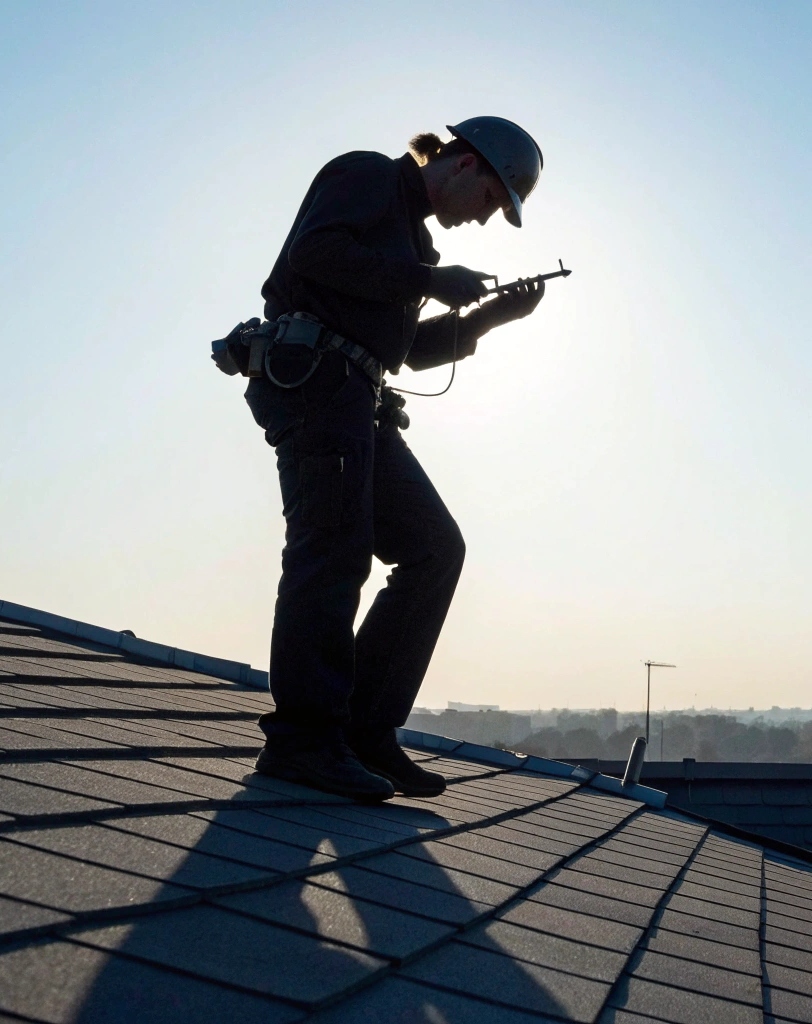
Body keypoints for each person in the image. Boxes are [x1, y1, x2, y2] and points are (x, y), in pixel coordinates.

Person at [243, 116, 547, 800]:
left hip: (359, 399)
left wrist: (488, 319)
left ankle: (362, 733)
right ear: (465, 165)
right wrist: (427, 281)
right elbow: (314, 255)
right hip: (317, 383)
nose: (488, 218)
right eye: (494, 200)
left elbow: (407, 350)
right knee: (333, 550)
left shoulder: (414, 241)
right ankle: (303, 739)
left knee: (435, 548)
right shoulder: (369, 176)